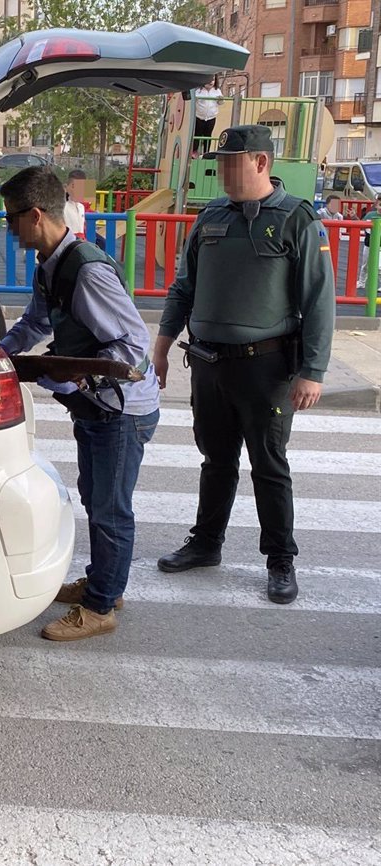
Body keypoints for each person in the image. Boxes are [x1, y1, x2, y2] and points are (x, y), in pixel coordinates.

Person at [152, 125, 336, 605]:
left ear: (260, 162)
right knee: (216, 461)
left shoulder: (297, 218)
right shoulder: (210, 216)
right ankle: (206, 543)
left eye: (232, 162)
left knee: (269, 466)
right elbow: (183, 287)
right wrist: (162, 346)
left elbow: (318, 300)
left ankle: (280, 560)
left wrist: (312, 370)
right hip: (210, 364)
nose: (223, 172)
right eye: (220, 163)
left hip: (267, 368)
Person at [0, 166, 160, 640]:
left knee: (110, 508)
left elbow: (132, 348)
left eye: (11, 219)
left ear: (35, 216)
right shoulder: (51, 265)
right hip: (97, 405)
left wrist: (72, 369)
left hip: (120, 408)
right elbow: (34, 323)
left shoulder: (86, 271)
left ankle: (100, 607)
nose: (8, 229)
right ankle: (106, 583)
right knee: (96, 497)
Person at [193, 77, 222, 155]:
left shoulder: (217, 91)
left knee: (208, 135)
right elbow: (194, 101)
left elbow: (220, 102)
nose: (211, 82)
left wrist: (221, 100)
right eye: (209, 80)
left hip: (211, 117)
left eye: (213, 80)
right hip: (199, 116)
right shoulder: (199, 91)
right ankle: (194, 152)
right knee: (197, 134)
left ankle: (206, 152)